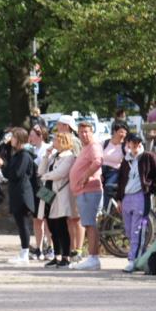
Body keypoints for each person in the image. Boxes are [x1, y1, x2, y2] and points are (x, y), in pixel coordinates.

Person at [116, 133, 156, 273]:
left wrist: (151, 186)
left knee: (137, 229)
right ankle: (141, 256)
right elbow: (121, 180)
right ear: (128, 144)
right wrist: (119, 198)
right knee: (128, 230)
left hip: (140, 196)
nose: (135, 146)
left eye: (138, 143)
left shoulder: (148, 156)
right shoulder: (126, 160)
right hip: (127, 197)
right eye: (132, 143)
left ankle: (133, 259)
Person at [67, 121, 103, 271]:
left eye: (86, 131)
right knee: (88, 224)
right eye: (81, 132)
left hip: (89, 190)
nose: (84, 135)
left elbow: (97, 162)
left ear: (92, 132)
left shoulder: (94, 146)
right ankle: (92, 257)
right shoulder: (85, 147)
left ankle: (93, 258)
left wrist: (85, 176)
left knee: (90, 224)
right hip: (83, 191)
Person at [38, 132, 77, 268]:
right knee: (51, 226)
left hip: (59, 194)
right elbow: (40, 171)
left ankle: (66, 256)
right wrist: (46, 156)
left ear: (62, 141)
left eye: (55, 139)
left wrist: (45, 177)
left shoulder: (69, 156)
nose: (52, 142)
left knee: (61, 226)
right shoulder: (54, 156)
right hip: (47, 192)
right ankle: (57, 255)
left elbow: (60, 173)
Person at [4, 128, 37, 264]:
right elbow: (8, 172)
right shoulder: (16, 154)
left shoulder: (24, 155)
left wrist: (3, 169)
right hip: (17, 193)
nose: (11, 139)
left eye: (13, 137)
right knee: (20, 223)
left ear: (20, 139)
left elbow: (16, 174)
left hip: (23, 194)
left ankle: (25, 253)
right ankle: (23, 251)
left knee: (23, 224)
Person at [55, 115, 84, 258]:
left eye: (60, 124)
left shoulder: (74, 141)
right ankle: (71, 247)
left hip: (73, 183)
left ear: (67, 126)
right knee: (68, 218)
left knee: (76, 217)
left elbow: (77, 162)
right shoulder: (60, 140)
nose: (58, 127)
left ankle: (78, 248)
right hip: (64, 184)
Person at [27, 124, 54, 259]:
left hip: (45, 187)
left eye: (32, 135)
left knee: (47, 218)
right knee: (37, 219)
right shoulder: (31, 149)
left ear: (40, 136)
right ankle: (39, 248)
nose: (30, 137)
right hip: (34, 187)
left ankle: (50, 247)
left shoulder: (47, 149)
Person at [101, 120, 128, 205]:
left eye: (125, 133)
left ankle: (105, 212)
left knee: (109, 187)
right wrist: (98, 173)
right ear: (114, 131)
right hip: (101, 170)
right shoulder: (104, 143)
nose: (123, 135)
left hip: (114, 172)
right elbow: (97, 158)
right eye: (121, 132)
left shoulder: (125, 146)